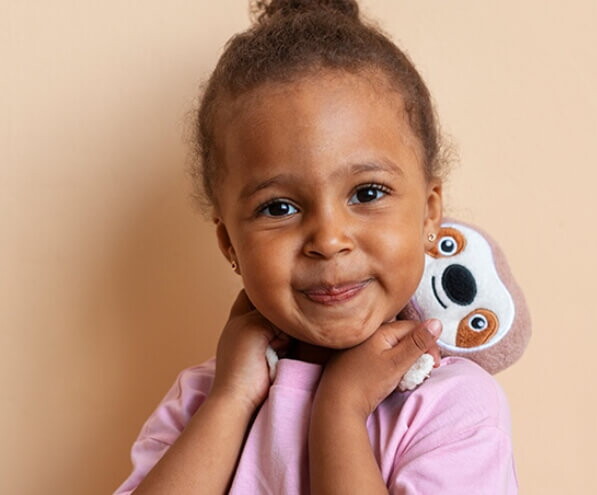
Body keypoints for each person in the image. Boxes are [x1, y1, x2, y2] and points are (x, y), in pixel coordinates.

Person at [114, 0, 519, 493]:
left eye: (367, 193)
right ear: (229, 244)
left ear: (429, 213)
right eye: (279, 207)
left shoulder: (454, 407)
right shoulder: (203, 398)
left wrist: (340, 411)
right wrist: (231, 401)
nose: (328, 241)